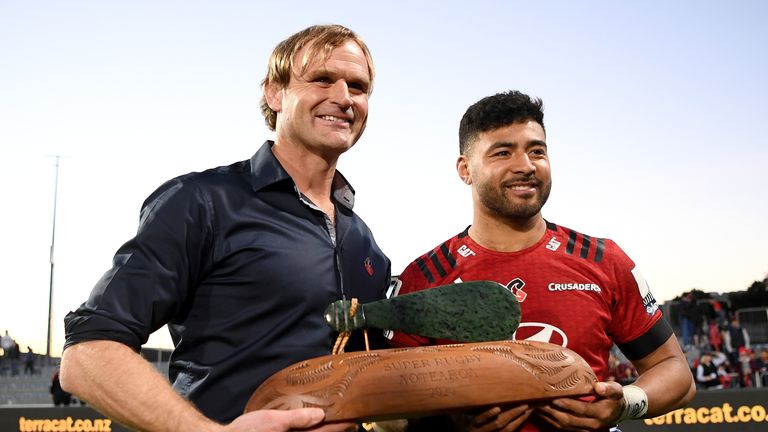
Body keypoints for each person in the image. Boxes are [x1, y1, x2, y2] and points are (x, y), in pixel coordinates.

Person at [60, 24, 390, 432]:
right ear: (275, 92)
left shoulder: (366, 245)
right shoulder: (202, 201)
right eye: (322, 79)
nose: (343, 97)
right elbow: (87, 354)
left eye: (357, 87)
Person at [387, 91, 695, 431]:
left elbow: (675, 371)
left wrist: (624, 403)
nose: (526, 166)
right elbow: (385, 410)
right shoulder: (424, 278)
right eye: (503, 152)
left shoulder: (603, 260)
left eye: (537, 151)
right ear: (465, 169)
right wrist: (448, 422)